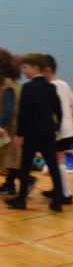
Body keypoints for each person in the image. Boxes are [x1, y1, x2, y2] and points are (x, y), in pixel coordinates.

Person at [5, 53, 63, 212]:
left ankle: (21, 199)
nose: (23, 71)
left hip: (32, 133)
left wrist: (19, 134)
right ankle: (57, 200)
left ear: (36, 67)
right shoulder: (51, 87)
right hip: (48, 132)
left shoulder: (28, 87)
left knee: (25, 166)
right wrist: (56, 128)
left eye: (25, 67)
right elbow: (58, 111)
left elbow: (23, 113)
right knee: (53, 166)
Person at [41, 54, 73, 204]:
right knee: (56, 160)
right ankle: (59, 189)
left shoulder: (50, 87)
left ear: (47, 70)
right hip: (68, 129)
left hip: (59, 130)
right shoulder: (64, 84)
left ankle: (66, 193)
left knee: (59, 160)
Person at [0, 48, 22, 195]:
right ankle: (10, 185)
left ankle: (21, 182)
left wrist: (1, 126)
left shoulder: (7, 85)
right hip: (12, 127)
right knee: (11, 159)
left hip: (9, 128)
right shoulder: (11, 83)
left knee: (10, 158)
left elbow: (8, 109)